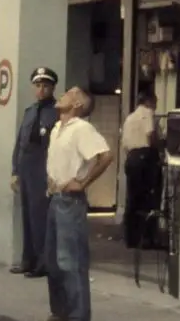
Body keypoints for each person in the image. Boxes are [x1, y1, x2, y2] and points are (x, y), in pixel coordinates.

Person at [45, 86, 114, 321]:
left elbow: (105, 156)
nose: (63, 94)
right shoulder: (57, 128)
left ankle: (78, 316)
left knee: (70, 261)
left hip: (70, 202)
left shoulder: (82, 128)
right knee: (53, 261)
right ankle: (60, 312)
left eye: (69, 93)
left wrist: (83, 182)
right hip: (54, 198)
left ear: (77, 105)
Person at [9, 67, 60, 278]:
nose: (41, 90)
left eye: (45, 86)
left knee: (41, 218)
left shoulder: (57, 111)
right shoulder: (29, 111)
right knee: (27, 216)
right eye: (38, 86)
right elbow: (20, 142)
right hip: (27, 166)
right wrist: (15, 170)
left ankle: (43, 263)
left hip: (43, 167)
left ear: (52, 88)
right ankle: (27, 260)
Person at [120, 90, 162, 249]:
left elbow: (125, 143)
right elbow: (150, 135)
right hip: (145, 157)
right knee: (149, 197)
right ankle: (148, 238)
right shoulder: (147, 113)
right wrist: (161, 146)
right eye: (155, 101)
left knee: (133, 198)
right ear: (149, 101)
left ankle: (131, 238)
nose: (156, 105)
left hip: (131, 158)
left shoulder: (130, 117)